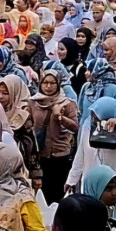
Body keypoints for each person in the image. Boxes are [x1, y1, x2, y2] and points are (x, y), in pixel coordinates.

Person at [29, 67, 79, 204]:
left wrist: (60, 117)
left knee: (57, 193)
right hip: (39, 154)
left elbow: (75, 127)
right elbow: (28, 124)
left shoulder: (67, 103)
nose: (48, 86)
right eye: (45, 83)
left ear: (58, 84)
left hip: (60, 154)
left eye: (52, 83)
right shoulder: (33, 102)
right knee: (41, 194)